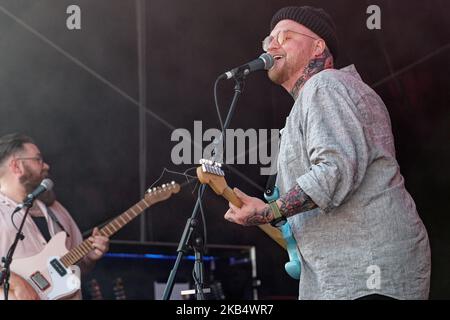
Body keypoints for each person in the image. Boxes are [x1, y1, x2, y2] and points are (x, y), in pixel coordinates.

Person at [224, 6, 431, 300]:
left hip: (366, 269)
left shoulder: (325, 85)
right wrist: (270, 208)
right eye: (268, 39)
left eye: (285, 36)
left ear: (318, 46)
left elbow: (334, 170)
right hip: (341, 273)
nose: (272, 45)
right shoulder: (312, 101)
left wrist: (269, 211)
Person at [0, 133, 109, 300]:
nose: (46, 166)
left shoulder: (56, 209)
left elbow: (76, 267)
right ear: (16, 167)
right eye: (38, 160)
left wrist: (89, 258)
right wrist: (17, 283)